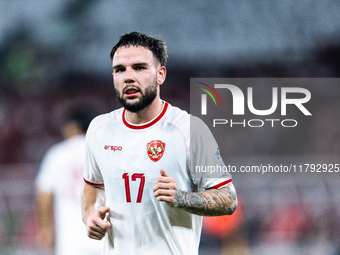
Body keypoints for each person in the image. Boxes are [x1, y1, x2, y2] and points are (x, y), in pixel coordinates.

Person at [81, 31, 238, 255]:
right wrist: (89, 214)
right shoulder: (100, 129)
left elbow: (228, 198)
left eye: (139, 67)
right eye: (119, 70)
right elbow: (93, 185)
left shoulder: (188, 130)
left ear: (160, 74)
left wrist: (181, 198)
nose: (128, 77)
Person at [35, 107, 102, 255]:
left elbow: (44, 194)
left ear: (73, 127)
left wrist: (46, 228)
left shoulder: (57, 153)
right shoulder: (103, 150)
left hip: (70, 241)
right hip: (102, 236)